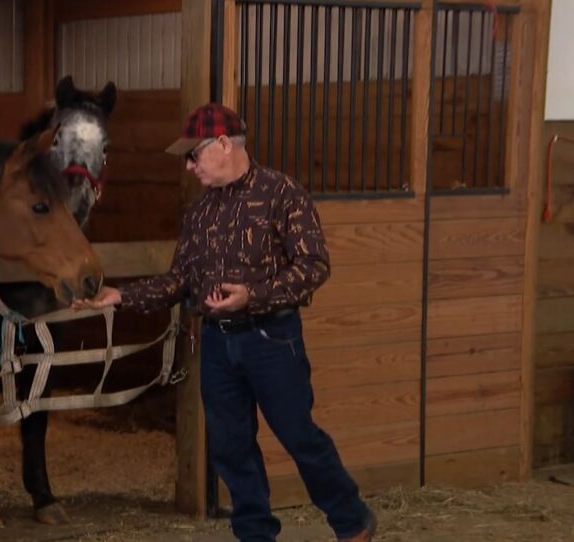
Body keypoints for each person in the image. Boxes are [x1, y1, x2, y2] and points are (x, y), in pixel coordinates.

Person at [71, 103, 377, 542]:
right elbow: (179, 280)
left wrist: (253, 296)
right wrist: (120, 296)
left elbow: (314, 266)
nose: (190, 166)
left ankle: (352, 520)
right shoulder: (199, 214)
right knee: (231, 449)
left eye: (193, 155)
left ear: (222, 144)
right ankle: (255, 535)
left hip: (272, 338)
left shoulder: (282, 194)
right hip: (217, 343)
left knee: (298, 436)